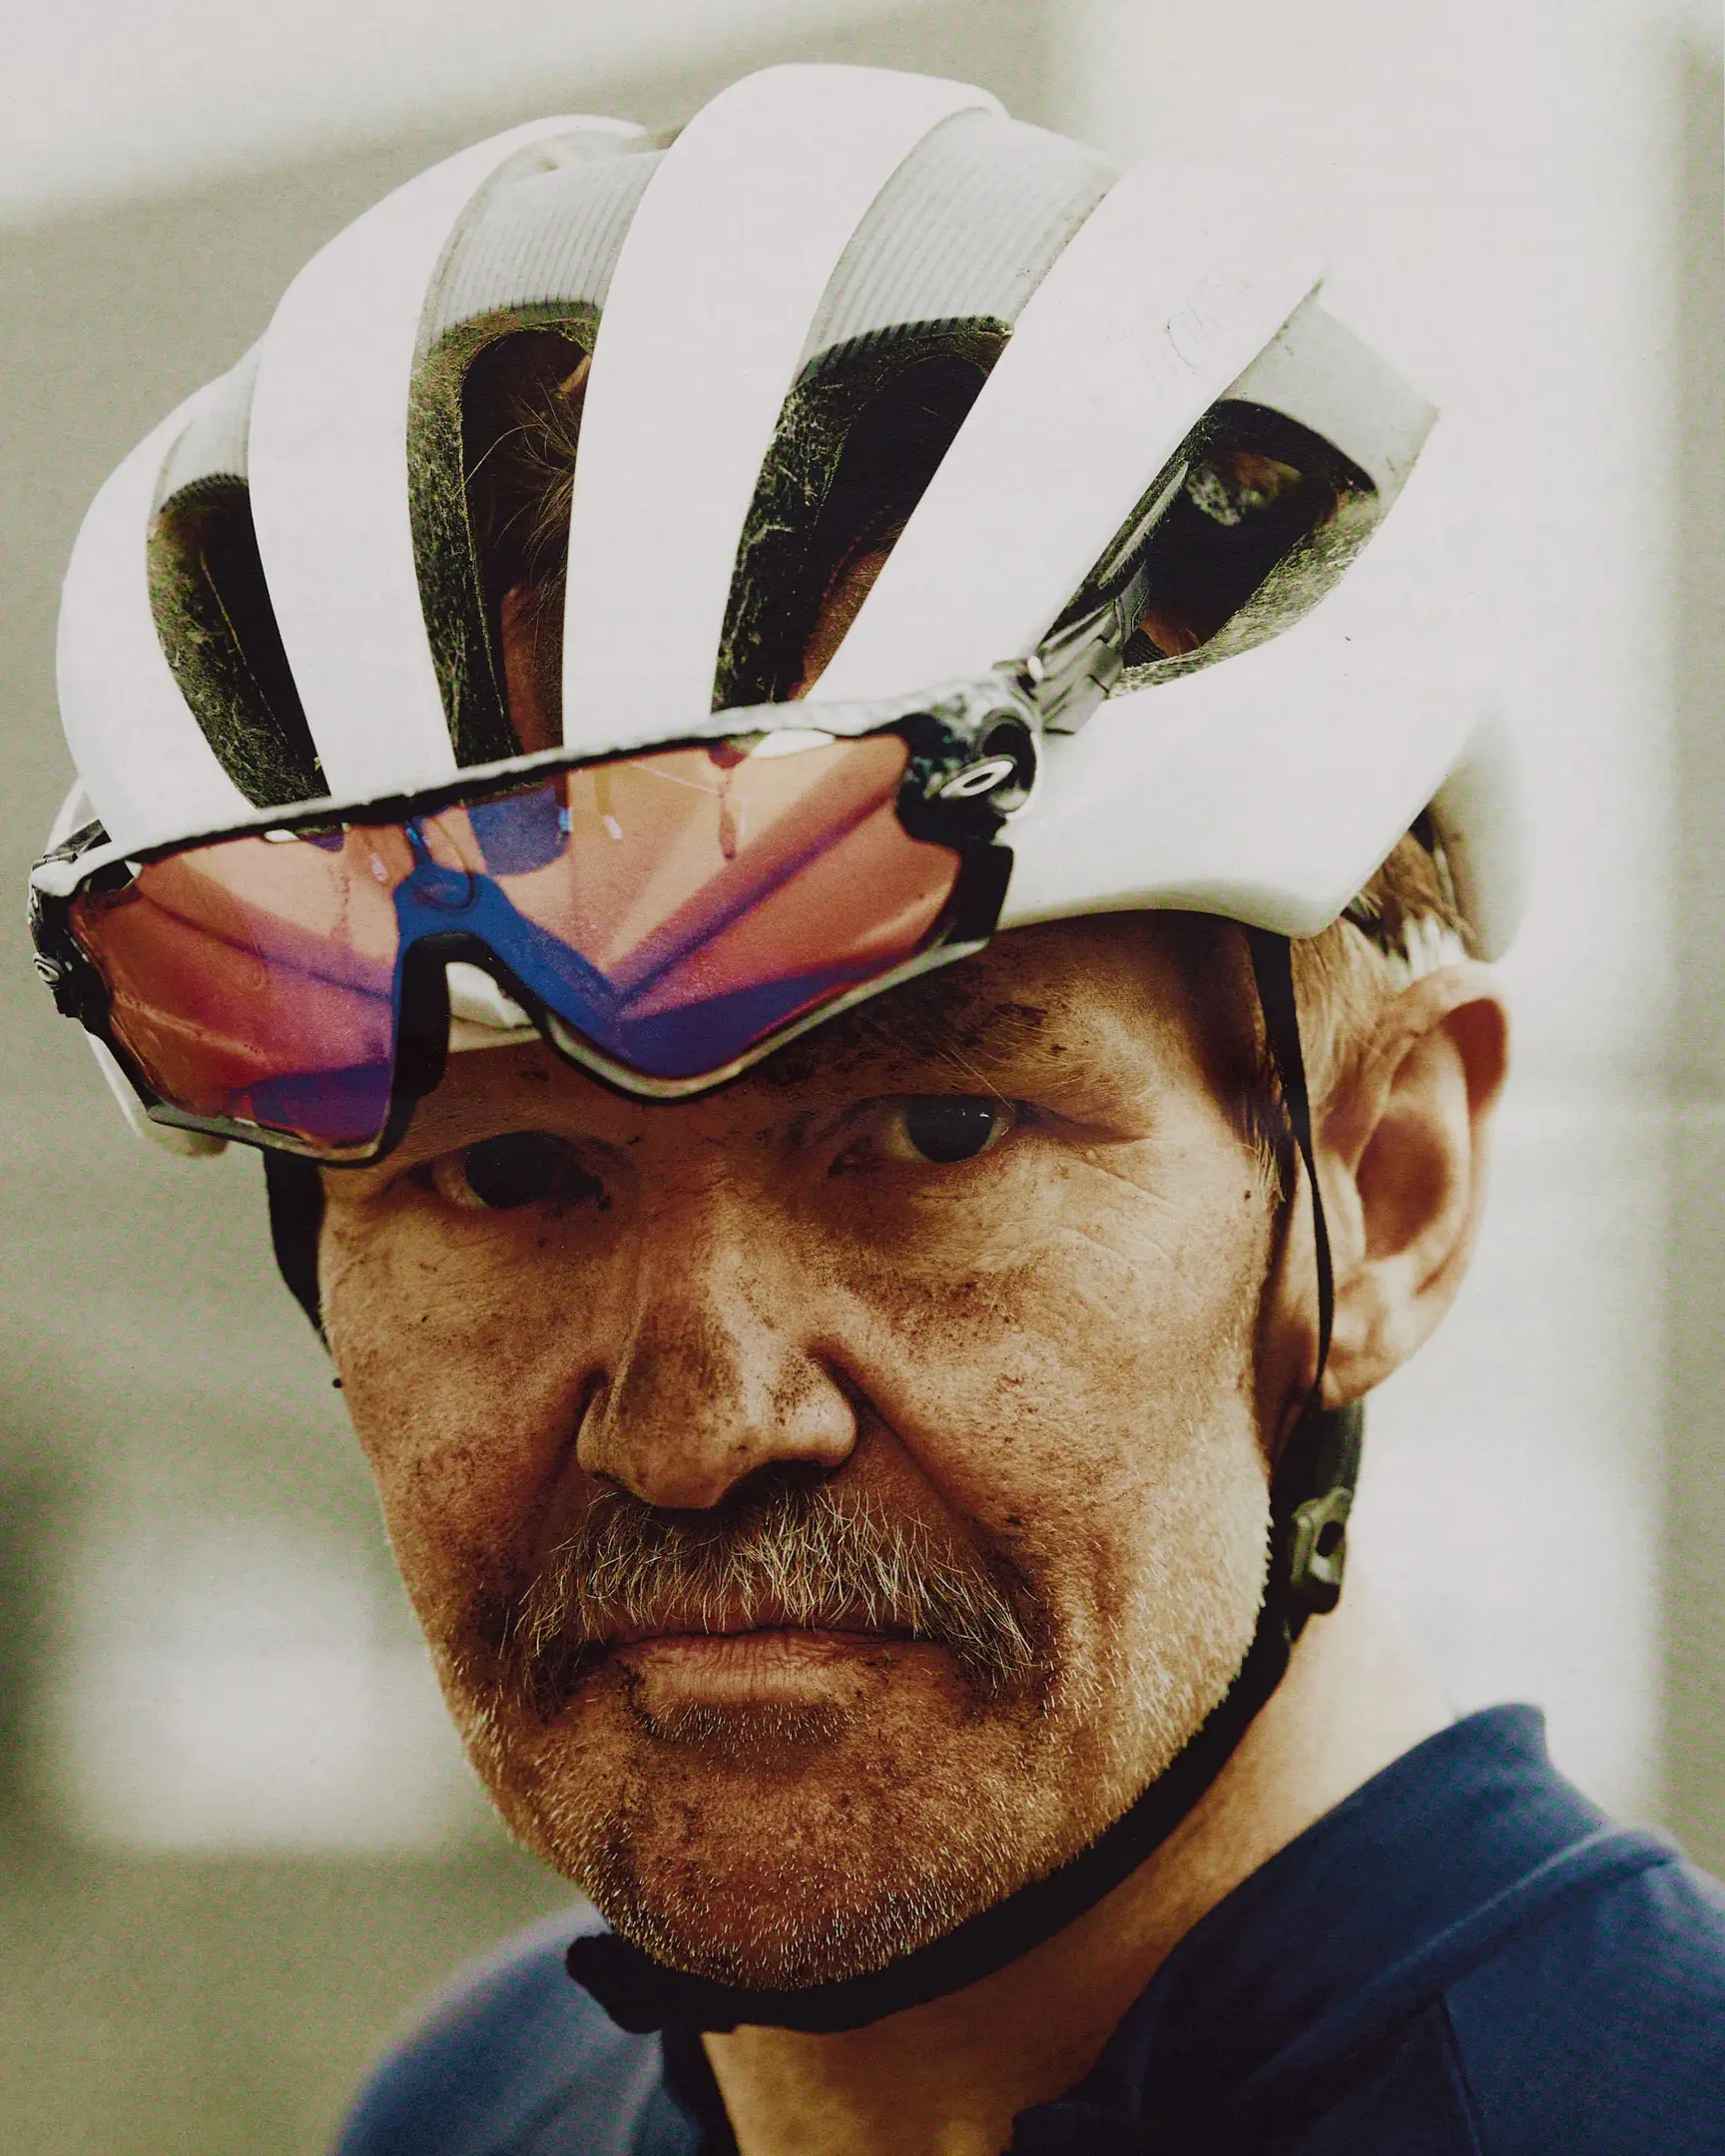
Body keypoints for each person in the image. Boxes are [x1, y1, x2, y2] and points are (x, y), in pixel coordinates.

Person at [28, 59, 1725, 2156]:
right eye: (504, 1168)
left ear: (1381, 1189)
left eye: (929, 1136)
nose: (701, 1420)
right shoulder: (470, 2115)